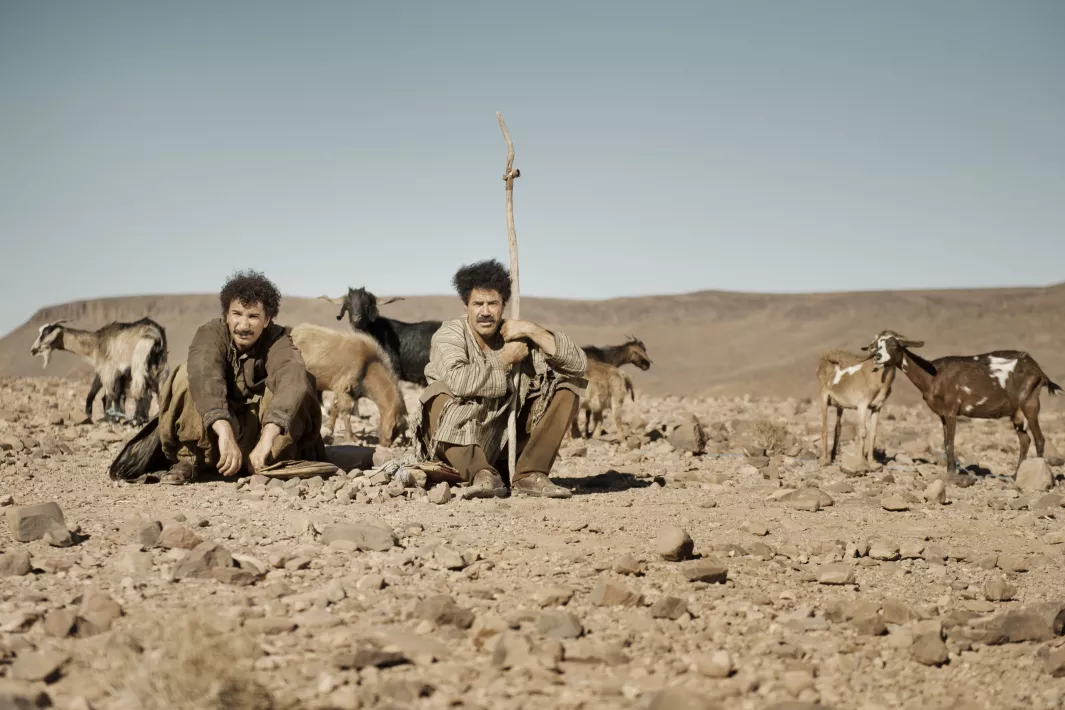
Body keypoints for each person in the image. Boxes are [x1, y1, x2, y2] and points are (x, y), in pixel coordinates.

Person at [413, 259, 587, 498]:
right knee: (436, 394)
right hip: (459, 446)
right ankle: (481, 474)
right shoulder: (450, 334)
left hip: (506, 444)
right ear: (466, 306)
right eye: (478, 304)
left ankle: (529, 474)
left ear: (503, 305)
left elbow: (578, 365)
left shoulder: (515, 334)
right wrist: (503, 359)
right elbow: (459, 382)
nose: (485, 312)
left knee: (567, 385)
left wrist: (532, 330)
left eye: (492, 303)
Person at [155, 270, 326, 484]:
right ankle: (189, 460)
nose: (243, 325)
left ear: (267, 320)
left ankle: (272, 460)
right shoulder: (210, 334)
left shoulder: (278, 340)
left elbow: (291, 377)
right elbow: (205, 375)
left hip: (260, 440)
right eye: (237, 314)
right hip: (216, 435)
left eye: (253, 316)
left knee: (300, 380)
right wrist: (225, 433)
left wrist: (266, 442)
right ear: (226, 315)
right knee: (185, 375)